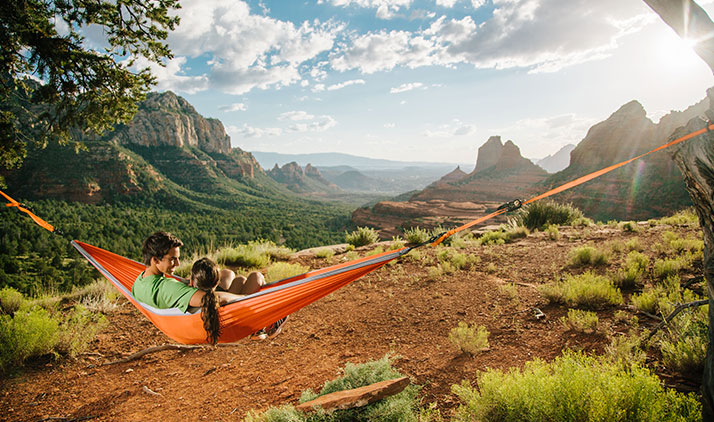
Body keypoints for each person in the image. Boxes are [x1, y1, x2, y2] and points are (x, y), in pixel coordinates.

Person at [132, 231, 287, 344]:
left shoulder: (139, 282)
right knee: (256, 277)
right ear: (155, 260)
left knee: (233, 276)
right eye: (173, 259)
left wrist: (188, 282)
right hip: (214, 321)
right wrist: (258, 300)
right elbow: (211, 299)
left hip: (181, 319)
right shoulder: (168, 287)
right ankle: (260, 325)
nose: (178, 264)